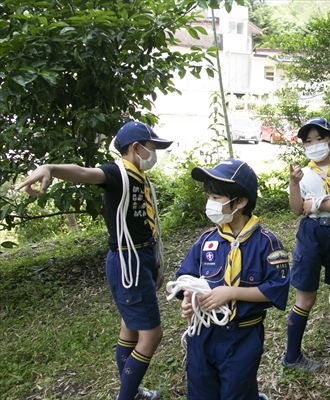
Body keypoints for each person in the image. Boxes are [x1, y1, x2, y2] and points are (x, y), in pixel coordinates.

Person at [16, 121, 172, 400]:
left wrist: (155, 264)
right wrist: (50, 169)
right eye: (153, 147)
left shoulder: (139, 177)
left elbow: (145, 225)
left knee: (131, 326)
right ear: (136, 148)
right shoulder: (116, 173)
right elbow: (84, 172)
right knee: (152, 335)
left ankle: (132, 392)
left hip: (141, 258)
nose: (155, 153)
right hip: (128, 263)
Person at [174, 159, 290, 400]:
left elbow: (276, 288)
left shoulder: (267, 243)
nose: (210, 203)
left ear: (240, 202)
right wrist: (188, 298)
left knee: (237, 392)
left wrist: (231, 292)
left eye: (216, 198)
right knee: (200, 391)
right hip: (203, 335)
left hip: (242, 337)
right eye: (209, 196)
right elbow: (185, 277)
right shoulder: (206, 240)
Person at [282, 117, 330, 373]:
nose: (314, 144)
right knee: (306, 295)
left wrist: (314, 204)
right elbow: (295, 209)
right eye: (308, 141)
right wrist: (293, 184)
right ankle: (292, 355)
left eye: (319, 138)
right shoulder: (302, 175)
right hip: (310, 234)